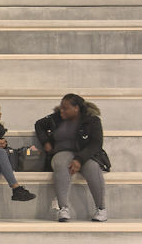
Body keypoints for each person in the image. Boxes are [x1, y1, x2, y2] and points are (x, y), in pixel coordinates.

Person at [33, 93, 111, 222]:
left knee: (92, 167)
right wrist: (45, 142)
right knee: (59, 162)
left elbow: (96, 144)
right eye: (61, 107)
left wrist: (79, 160)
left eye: (65, 108)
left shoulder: (92, 120)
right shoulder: (57, 118)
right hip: (62, 152)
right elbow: (39, 125)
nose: (61, 110)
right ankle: (63, 208)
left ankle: (101, 209)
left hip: (85, 153)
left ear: (76, 108)